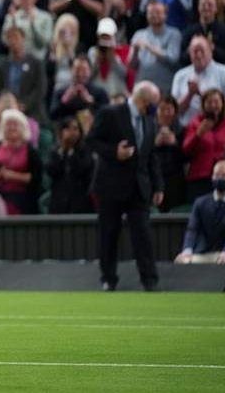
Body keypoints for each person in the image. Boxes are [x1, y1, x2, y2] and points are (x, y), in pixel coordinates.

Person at [87, 81, 163, 292]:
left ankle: (150, 279)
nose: (154, 108)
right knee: (109, 234)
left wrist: (158, 186)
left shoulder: (149, 120)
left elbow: (151, 155)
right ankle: (108, 278)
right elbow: (91, 140)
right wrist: (114, 152)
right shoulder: (110, 113)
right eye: (152, 103)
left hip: (138, 187)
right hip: (110, 185)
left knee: (143, 234)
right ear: (142, 100)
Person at [175, 160, 225, 291]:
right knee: (181, 262)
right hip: (205, 252)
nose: (219, 178)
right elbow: (192, 229)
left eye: (224, 175)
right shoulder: (200, 203)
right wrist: (187, 251)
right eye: (216, 175)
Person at [0, 108, 42, 215]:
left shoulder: (30, 151)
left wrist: (12, 175)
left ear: (23, 128)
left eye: (15, 124)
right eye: (8, 124)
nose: (11, 128)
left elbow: (36, 178)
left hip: (23, 202)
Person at [172, 35, 225, 126]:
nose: (199, 55)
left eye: (202, 50)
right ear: (189, 53)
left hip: (218, 129)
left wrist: (202, 94)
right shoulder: (180, 75)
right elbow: (174, 110)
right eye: (195, 51)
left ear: (210, 50)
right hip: (188, 130)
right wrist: (190, 94)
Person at [182, 89, 225, 201]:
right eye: (209, 102)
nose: (213, 105)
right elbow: (186, 149)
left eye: (216, 102)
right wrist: (198, 134)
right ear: (203, 105)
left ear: (222, 104)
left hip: (223, 177)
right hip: (199, 177)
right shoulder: (195, 123)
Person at [128, 1, 182, 95]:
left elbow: (173, 58)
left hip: (164, 88)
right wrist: (135, 52)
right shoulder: (139, 34)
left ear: (165, 15)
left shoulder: (174, 34)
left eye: (157, 12)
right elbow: (131, 65)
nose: (154, 15)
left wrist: (149, 47)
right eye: (151, 13)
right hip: (142, 87)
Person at [47, 116, 95, 214]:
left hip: (81, 202)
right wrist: (63, 150)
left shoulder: (86, 150)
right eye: (67, 129)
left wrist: (71, 152)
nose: (72, 132)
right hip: (59, 202)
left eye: (75, 129)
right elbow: (52, 170)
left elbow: (82, 169)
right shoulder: (55, 152)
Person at [49, 55, 109, 121]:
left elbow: (106, 117)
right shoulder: (60, 92)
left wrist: (90, 101)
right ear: (71, 70)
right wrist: (65, 101)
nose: (80, 74)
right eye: (77, 69)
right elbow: (52, 117)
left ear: (90, 71)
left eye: (84, 70)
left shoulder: (100, 93)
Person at [153, 96, 186, 212]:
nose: (166, 113)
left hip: (175, 180)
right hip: (154, 178)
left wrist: (175, 143)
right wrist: (155, 144)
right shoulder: (149, 128)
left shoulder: (182, 130)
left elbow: (187, 156)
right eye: (162, 109)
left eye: (169, 109)